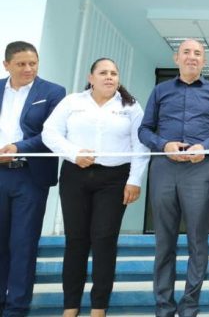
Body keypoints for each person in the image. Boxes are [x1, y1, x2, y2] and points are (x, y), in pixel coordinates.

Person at [42, 57, 150, 317]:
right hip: (75, 175)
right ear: (91, 78)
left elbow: (140, 145)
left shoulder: (131, 106)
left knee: (104, 240)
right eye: (103, 73)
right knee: (76, 240)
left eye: (114, 73)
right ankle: (71, 305)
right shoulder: (72, 102)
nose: (109, 77)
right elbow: (49, 132)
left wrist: (134, 180)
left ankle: (99, 306)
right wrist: (73, 153)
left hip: (114, 179)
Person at [138, 39, 209, 317]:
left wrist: (206, 146)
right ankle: (164, 307)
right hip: (164, 169)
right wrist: (163, 144)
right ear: (176, 58)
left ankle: (189, 306)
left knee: (197, 242)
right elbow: (144, 130)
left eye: (198, 53)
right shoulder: (160, 90)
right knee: (164, 242)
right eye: (186, 52)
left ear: (204, 61)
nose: (192, 57)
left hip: (198, 171)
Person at [0, 41, 65, 317]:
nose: (29, 69)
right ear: (6, 65)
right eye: (21, 64)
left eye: (33, 63)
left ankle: (16, 307)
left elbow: (52, 134)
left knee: (23, 243)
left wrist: (18, 147)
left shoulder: (53, 92)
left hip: (29, 176)